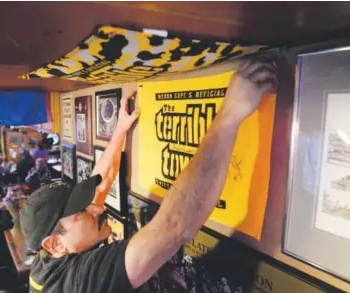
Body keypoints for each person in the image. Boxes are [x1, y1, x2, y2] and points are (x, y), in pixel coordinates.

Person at [19, 60, 278, 293]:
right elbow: (174, 227)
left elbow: (101, 180)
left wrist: (119, 130)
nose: (97, 207)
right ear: (54, 243)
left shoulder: (49, 261)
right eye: (82, 213)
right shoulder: (80, 283)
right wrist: (230, 115)